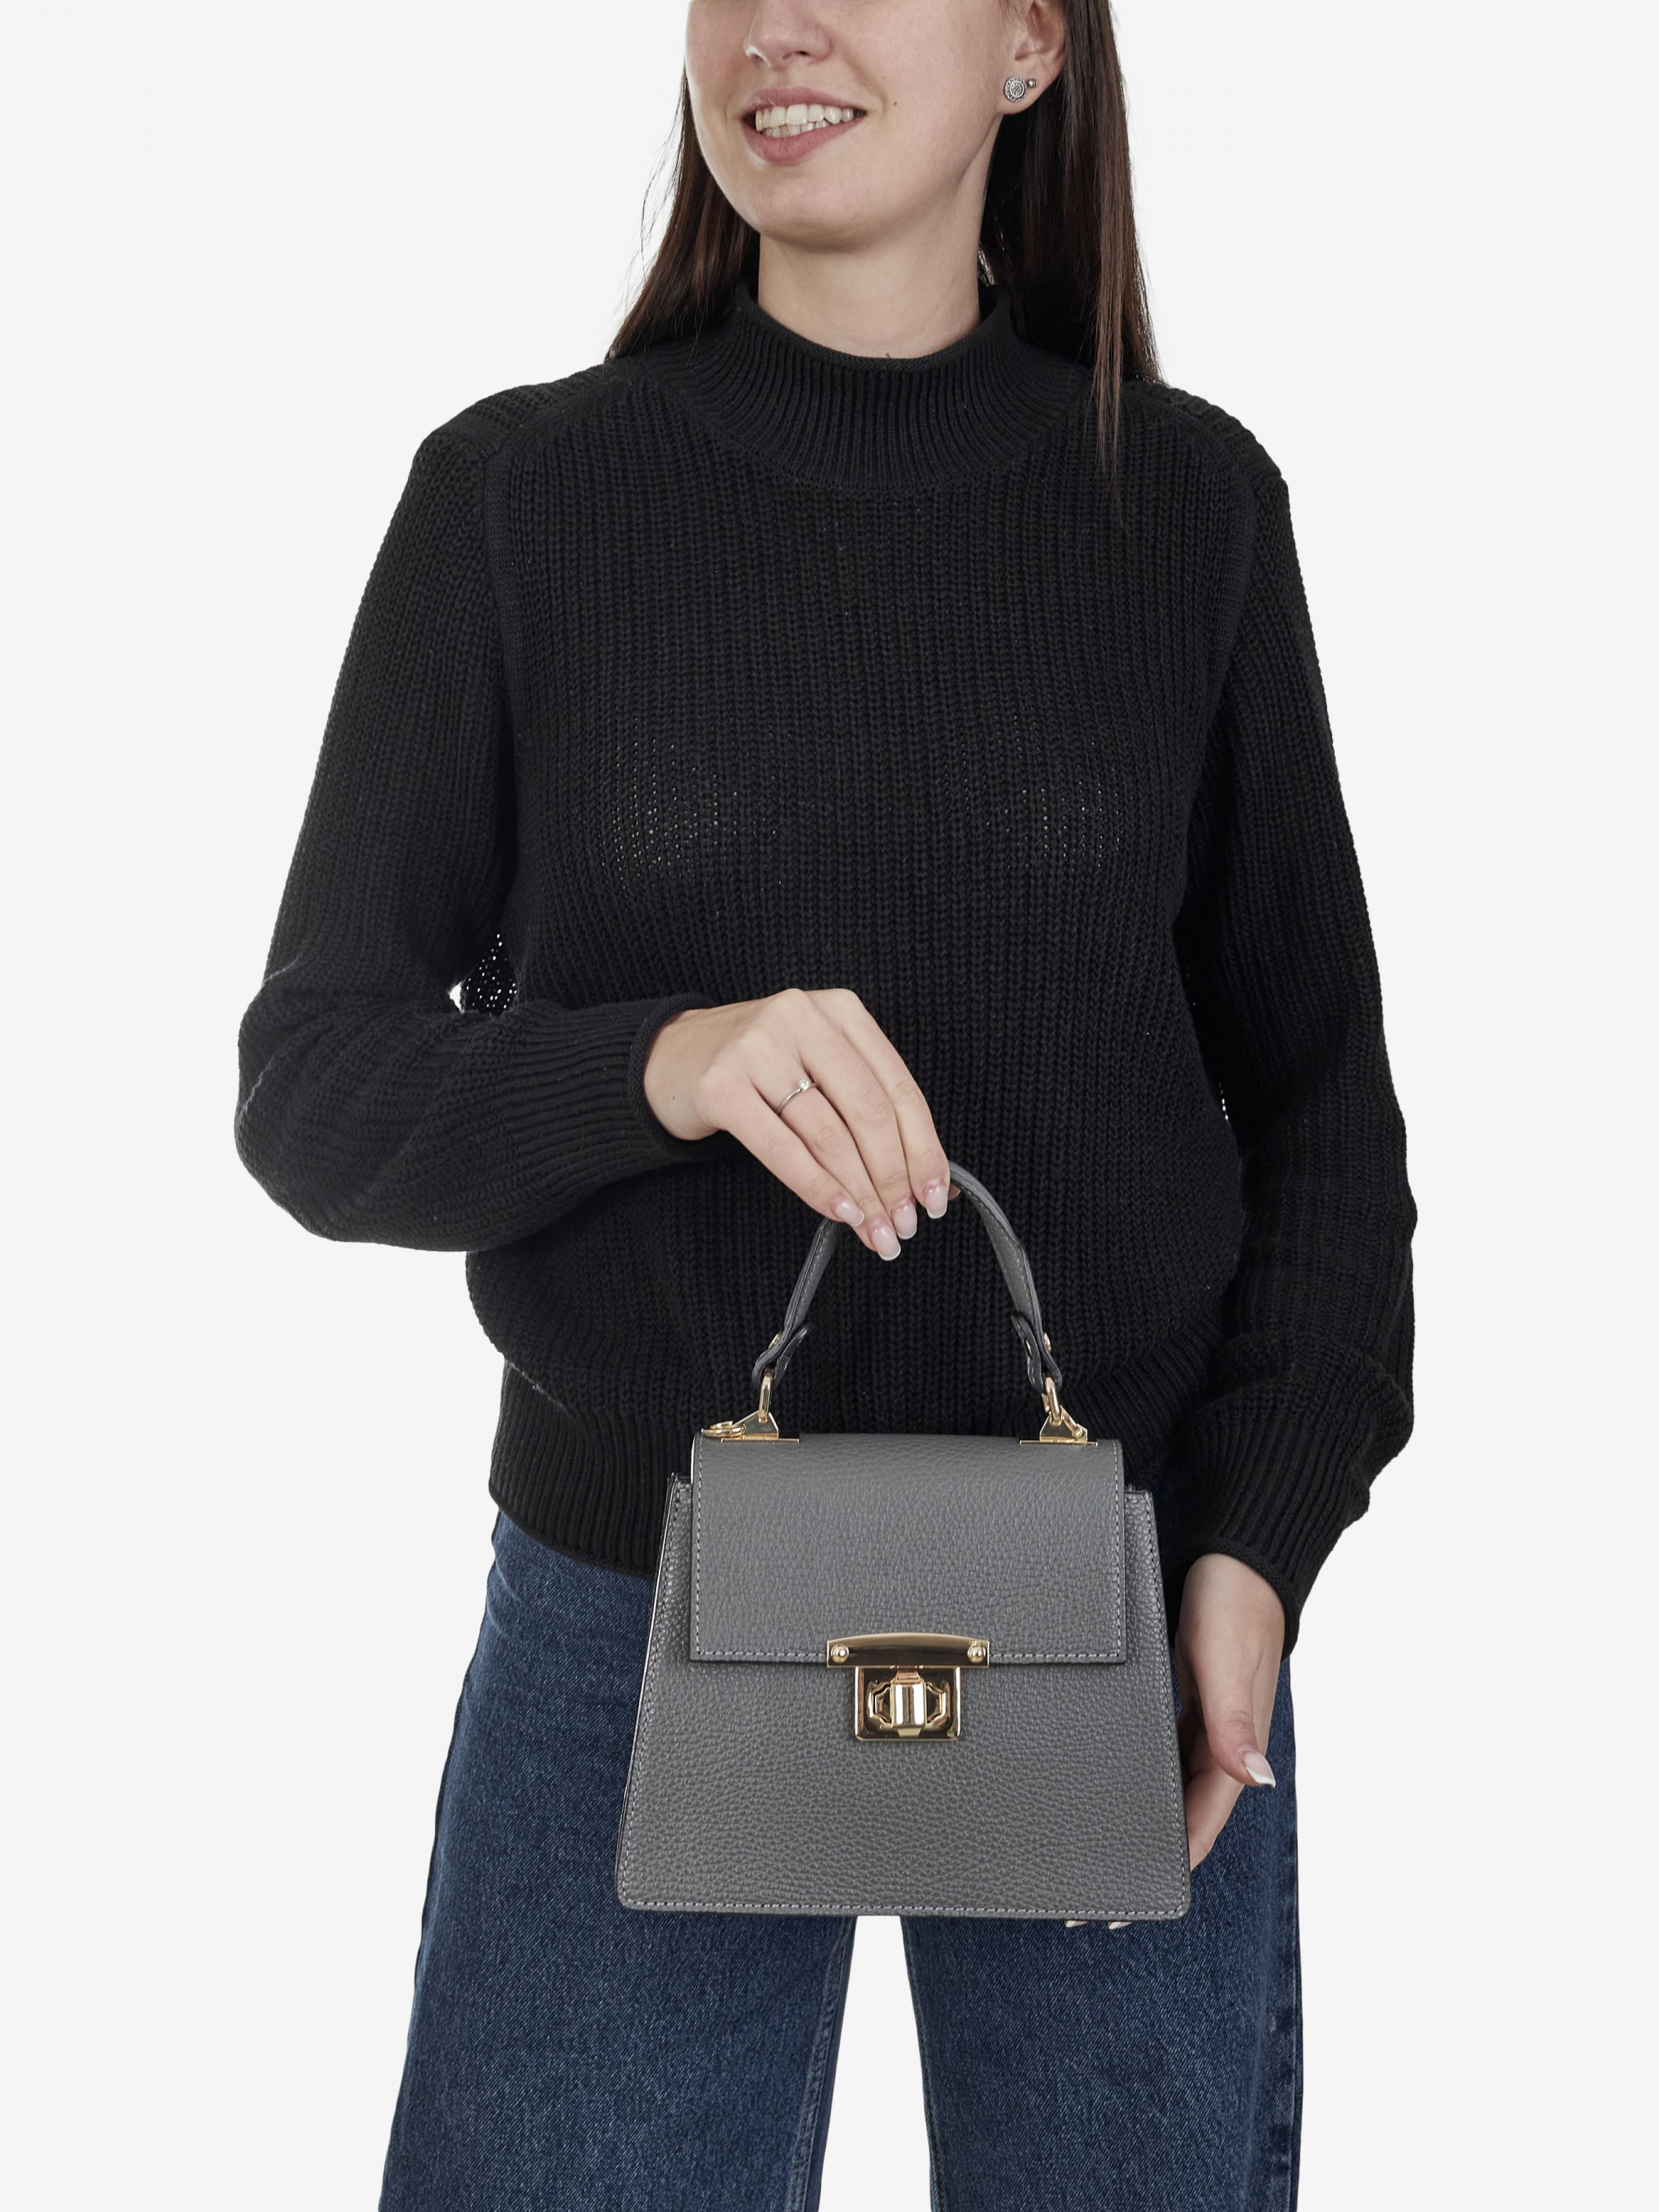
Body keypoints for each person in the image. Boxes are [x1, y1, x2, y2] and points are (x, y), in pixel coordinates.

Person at [233, 2, 1416, 2204]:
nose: (777, 24)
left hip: (1117, 1613)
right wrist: (659, 1062)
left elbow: (1325, 1115)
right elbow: (314, 1086)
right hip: (629, 1598)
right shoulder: (519, 500)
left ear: (1032, 44)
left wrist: (1258, 1545)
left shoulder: (1188, 513)